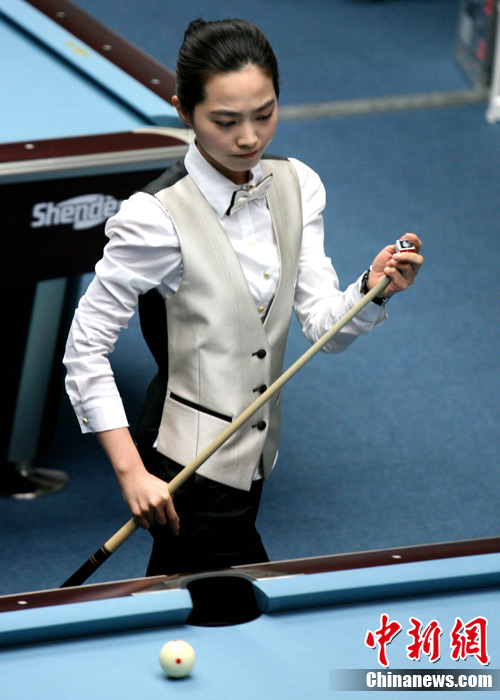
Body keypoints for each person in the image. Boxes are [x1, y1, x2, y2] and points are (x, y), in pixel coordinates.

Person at [63, 18, 423, 577]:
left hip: (253, 459)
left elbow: (322, 328)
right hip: (184, 463)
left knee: (190, 593)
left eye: (265, 113)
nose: (249, 138)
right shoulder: (154, 219)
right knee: (237, 597)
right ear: (184, 112)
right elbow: (83, 350)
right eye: (226, 121)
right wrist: (132, 473)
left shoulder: (298, 185)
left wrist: (370, 290)